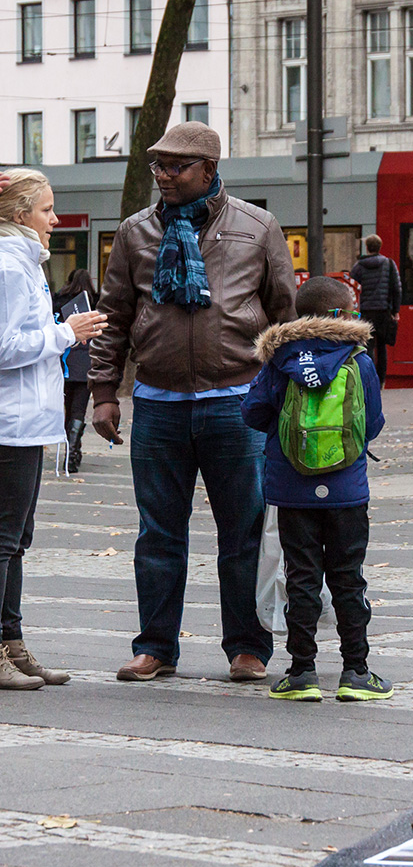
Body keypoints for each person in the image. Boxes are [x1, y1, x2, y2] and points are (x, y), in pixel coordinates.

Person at [88, 121, 297, 683]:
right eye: (158, 166)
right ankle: (155, 645)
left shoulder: (258, 227)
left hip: (238, 402)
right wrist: (104, 392)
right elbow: (113, 319)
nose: (163, 176)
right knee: (158, 531)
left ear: (209, 169)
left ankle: (248, 648)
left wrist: (288, 395)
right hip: (157, 403)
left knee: (244, 531)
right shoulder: (135, 233)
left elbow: (284, 317)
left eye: (175, 167)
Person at [241, 276, 390, 701]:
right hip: (346, 490)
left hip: (292, 488)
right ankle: (356, 673)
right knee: (348, 579)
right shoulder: (358, 360)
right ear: (343, 315)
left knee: (301, 576)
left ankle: (301, 672)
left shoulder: (279, 358)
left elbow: (252, 412)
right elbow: (373, 423)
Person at [0, 168, 106, 689]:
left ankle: (11, 643)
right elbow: (2, 347)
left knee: (16, 539)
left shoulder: (24, 262)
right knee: (3, 540)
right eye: (46, 209)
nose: (55, 219)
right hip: (8, 423)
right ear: (21, 215)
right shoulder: (8, 267)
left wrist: (61, 335)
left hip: (27, 422)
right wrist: (66, 332)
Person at [52, 268, 99, 473]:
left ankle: (70, 449)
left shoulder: (60, 299)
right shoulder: (96, 302)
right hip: (86, 360)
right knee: (79, 408)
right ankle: (73, 452)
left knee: (67, 406)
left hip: (64, 359)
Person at [350, 234, 402, 386]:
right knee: (382, 347)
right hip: (384, 310)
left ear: (367, 247)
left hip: (366, 310)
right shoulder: (389, 264)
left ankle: (369, 380)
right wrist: (395, 310)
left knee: (368, 346)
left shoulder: (358, 266)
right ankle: (381, 381)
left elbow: (352, 287)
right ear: (380, 246)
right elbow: (396, 288)